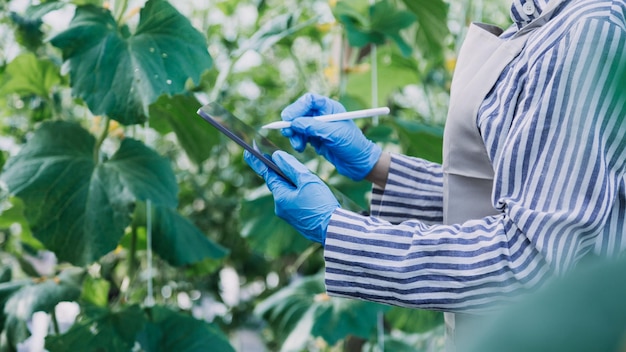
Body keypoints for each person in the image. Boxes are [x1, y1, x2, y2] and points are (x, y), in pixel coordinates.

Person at [245, 0, 626, 347]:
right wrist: (377, 167)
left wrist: (339, 230)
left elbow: (529, 263)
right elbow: (502, 198)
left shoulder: (589, 28)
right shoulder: (536, 20)